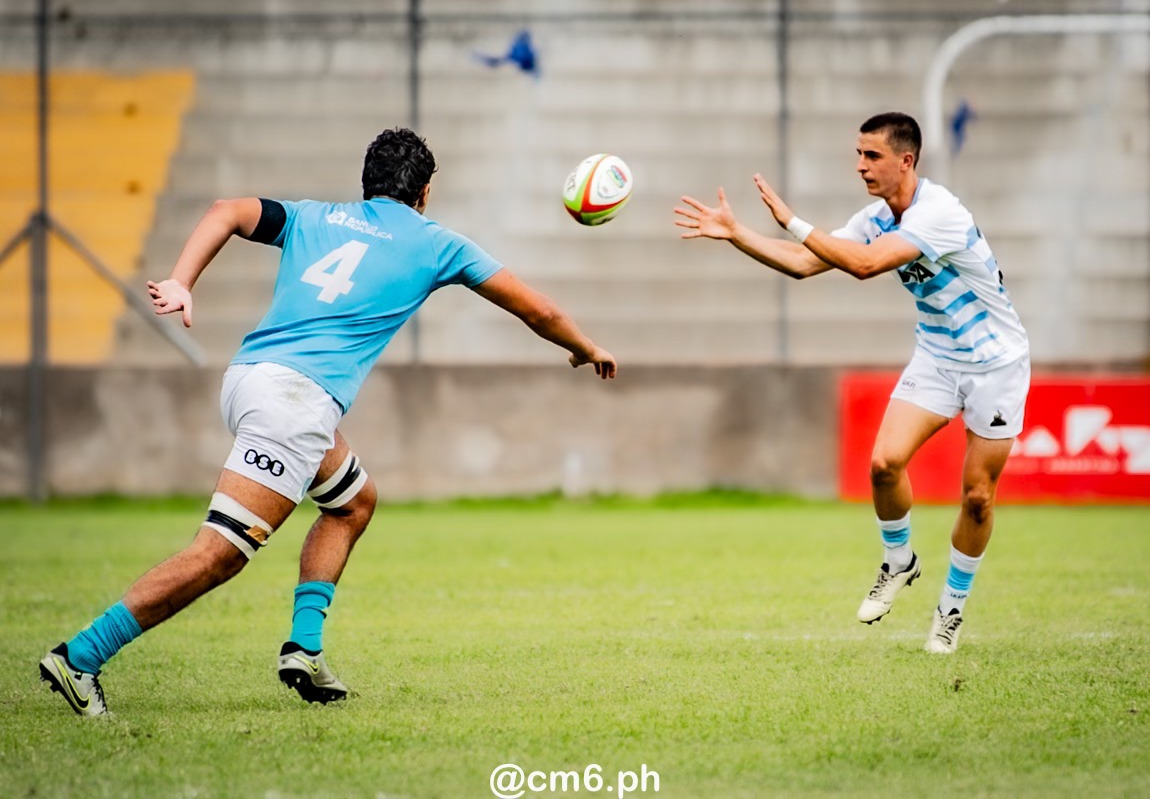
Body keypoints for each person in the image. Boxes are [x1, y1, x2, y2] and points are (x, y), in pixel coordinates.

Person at [39, 127, 618, 716]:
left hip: (251, 378)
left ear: (367, 183)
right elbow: (538, 309)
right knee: (221, 554)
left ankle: (304, 650)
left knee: (352, 502)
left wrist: (183, 281)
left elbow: (227, 211)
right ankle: (80, 656)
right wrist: (584, 347)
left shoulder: (314, 216)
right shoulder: (437, 243)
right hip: (295, 403)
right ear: (423, 192)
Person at [674, 112, 1029, 654]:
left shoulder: (940, 213)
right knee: (884, 464)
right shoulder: (875, 216)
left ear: (905, 161)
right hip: (937, 356)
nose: (860, 165)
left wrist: (793, 219)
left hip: (996, 365)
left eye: (872, 156)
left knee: (978, 497)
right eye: (858, 154)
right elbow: (802, 263)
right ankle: (899, 561)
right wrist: (737, 233)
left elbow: (863, 266)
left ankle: (950, 610)